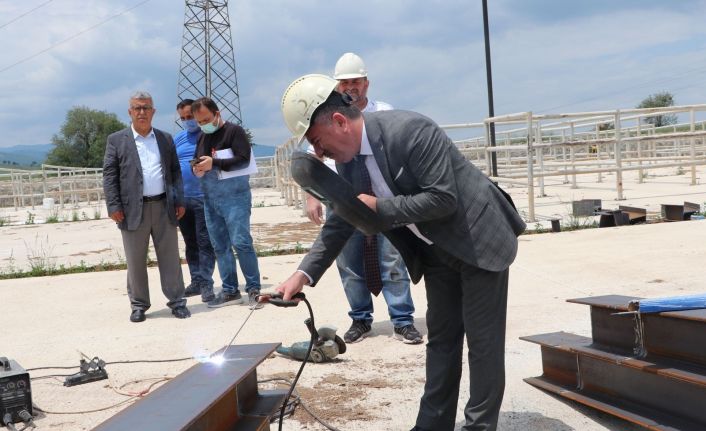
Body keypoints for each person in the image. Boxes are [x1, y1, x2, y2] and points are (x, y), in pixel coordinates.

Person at [278, 75, 526, 431]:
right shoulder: (348, 162)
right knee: (442, 341)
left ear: (339, 121)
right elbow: (341, 220)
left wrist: (380, 207)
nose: (319, 153)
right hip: (436, 251)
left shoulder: (411, 131)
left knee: (483, 344)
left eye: (317, 141)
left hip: (478, 239)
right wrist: (302, 274)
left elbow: (443, 198)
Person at [304, 53, 421, 344]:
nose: (350, 87)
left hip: (382, 199)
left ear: (366, 83)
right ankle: (360, 318)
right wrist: (311, 197)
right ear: (337, 87)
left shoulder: (384, 111)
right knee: (348, 264)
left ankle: (402, 320)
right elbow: (312, 160)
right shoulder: (327, 114)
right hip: (343, 200)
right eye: (344, 83)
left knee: (393, 260)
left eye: (355, 81)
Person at [103, 91, 191, 322]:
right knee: (135, 260)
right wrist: (113, 205)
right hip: (131, 210)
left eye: (146, 108)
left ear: (153, 112)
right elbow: (110, 175)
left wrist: (179, 200)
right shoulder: (116, 140)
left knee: (170, 258)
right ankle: (139, 305)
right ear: (130, 112)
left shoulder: (165, 139)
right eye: (137, 108)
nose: (142, 112)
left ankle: (177, 301)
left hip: (164, 206)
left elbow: (175, 172)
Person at [190, 97, 263, 310]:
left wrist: (214, 163)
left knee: (241, 243)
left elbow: (243, 159)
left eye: (206, 120)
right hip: (211, 198)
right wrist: (197, 169)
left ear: (217, 113)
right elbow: (198, 160)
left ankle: (254, 289)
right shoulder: (202, 137)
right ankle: (230, 290)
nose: (203, 125)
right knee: (220, 246)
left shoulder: (234, 131)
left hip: (235, 197)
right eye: (199, 122)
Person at [174, 99, 216, 303]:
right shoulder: (178, 139)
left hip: (204, 197)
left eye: (190, 116)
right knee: (190, 242)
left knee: (204, 242)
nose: (187, 121)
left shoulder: (208, 135)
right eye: (183, 118)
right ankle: (196, 281)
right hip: (183, 199)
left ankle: (207, 283)